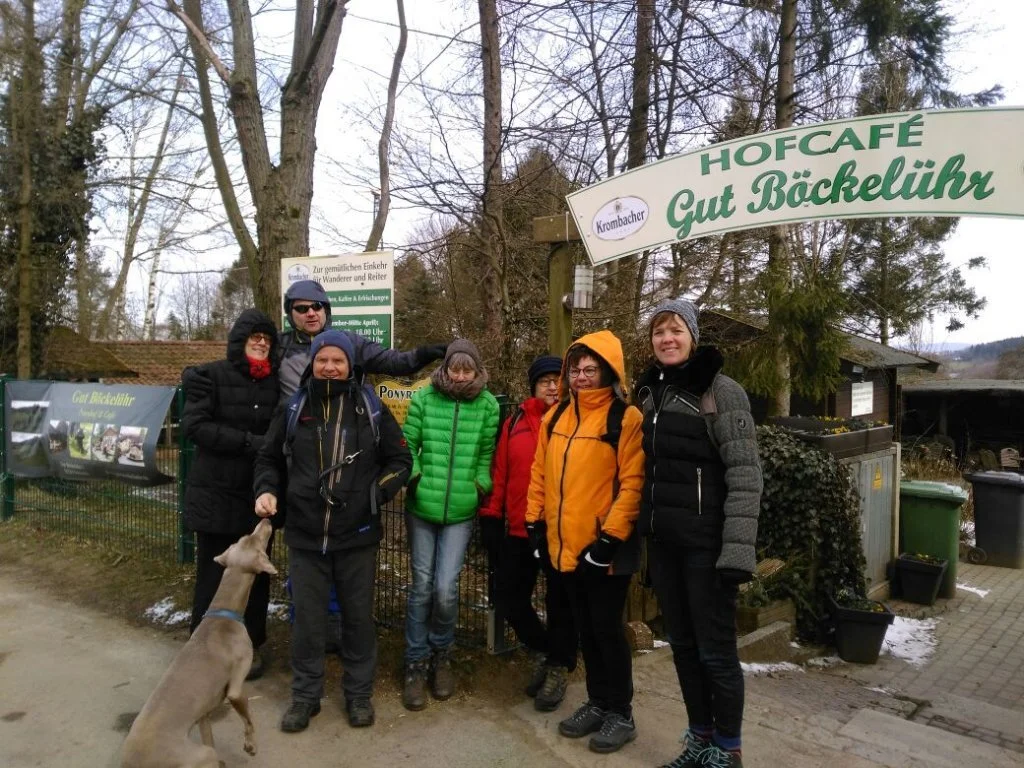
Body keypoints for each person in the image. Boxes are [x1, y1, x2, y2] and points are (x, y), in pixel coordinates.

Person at [253, 330, 412, 733]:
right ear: (312, 363)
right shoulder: (294, 407)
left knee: (358, 619)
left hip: (357, 534)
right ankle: (305, 697)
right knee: (307, 621)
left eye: (337, 360)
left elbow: (400, 460)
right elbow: (268, 458)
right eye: (322, 359)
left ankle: (359, 695)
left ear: (349, 365)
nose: (329, 366)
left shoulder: (370, 407)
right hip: (305, 535)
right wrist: (267, 489)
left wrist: (375, 494)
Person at [633, 299, 762, 768]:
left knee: (716, 653)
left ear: (692, 335)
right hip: (665, 545)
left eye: (675, 330)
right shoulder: (647, 392)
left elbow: (747, 474)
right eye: (658, 332)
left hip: (708, 548)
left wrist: (737, 555)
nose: (666, 339)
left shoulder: (721, 392)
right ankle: (700, 739)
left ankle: (728, 751)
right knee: (684, 648)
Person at [525, 330, 644, 755]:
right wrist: (534, 524)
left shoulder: (624, 419)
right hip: (563, 547)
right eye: (575, 369)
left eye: (591, 369)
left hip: (602, 551)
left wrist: (609, 540)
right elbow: (539, 473)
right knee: (584, 632)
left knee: (606, 631)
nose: (581, 376)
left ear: (609, 371)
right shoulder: (555, 417)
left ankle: (621, 713)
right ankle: (597, 702)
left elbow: (632, 485)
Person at [182, 308, 281, 681]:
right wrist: (248, 443)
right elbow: (195, 426)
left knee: (254, 576)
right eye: (253, 337)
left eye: (266, 339)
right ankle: (203, 650)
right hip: (214, 492)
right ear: (239, 342)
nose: (260, 343)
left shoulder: (275, 385)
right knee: (213, 573)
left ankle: (250, 646)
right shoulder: (211, 376)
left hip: (256, 494)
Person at [401, 339, 500, 711]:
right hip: (421, 506)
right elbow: (407, 443)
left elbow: (487, 454)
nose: (460, 375)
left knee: (445, 587)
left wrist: (480, 485)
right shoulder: (426, 399)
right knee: (421, 586)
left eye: (467, 369)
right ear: (445, 369)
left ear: (476, 371)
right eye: (454, 368)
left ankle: (442, 655)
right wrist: (414, 476)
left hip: (461, 510)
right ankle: (415, 662)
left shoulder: (487, 405)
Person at [478, 354, 578, 712]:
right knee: (508, 597)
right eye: (544, 380)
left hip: (560, 530)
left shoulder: (575, 418)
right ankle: (547, 651)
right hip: (520, 527)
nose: (552, 386)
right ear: (533, 386)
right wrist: (491, 514)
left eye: (557, 379)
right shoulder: (516, 420)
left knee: (560, 603)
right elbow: (501, 469)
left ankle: (557, 667)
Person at [183, 278, 447, 402]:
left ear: (326, 310)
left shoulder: (349, 343)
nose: (311, 312)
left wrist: (425, 353)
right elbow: (238, 367)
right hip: (293, 440)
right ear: (291, 314)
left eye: (317, 306)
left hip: (343, 434)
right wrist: (195, 374)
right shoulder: (278, 346)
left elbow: (394, 362)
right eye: (301, 308)